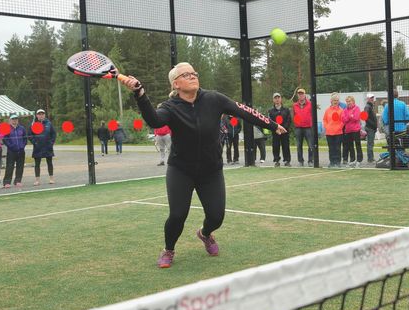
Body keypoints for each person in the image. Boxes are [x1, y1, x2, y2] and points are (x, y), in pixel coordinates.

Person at [119, 62, 286, 269]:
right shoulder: (169, 108)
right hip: (181, 170)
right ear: (176, 84)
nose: (192, 76)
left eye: (194, 73)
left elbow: (244, 111)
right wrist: (140, 94)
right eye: (186, 75)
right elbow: (154, 121)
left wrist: (271, 124)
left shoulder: (214, 99)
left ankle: (205, 234)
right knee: (178, 215)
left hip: (211, 170)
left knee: (216, 216)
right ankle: (168, 249)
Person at [29, 108, 56, 185]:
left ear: (44, 115)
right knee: (37, 164)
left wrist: (51, 142)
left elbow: (53, 134)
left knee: (49, 163)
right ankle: (37, 180)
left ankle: (51, 179)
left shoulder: (49, 123)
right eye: (39, 114)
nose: (41, 115)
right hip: (38, 147)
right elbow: (30, 135)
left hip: (48, 147)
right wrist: (35, 142)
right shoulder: (33, 124)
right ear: (37, 115)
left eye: (42, 114)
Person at [2, 114, 27, 188]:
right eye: (13, 119)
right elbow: (5, 139)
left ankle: (18, 181)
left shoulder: (22, 128)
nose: (14, 120)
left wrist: (23, 145)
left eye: (16, 119)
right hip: (11, 151)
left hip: (21, 150)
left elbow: (25, 138)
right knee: (10, 166)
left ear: (17, 120)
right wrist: (11, 146)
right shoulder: (7, 128)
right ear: (10, 120)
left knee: (20, 166)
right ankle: (7, 182)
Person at [268, 92, 292, 167]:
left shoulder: (286, 110)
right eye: (275, 98)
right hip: (275, 132)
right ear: (273, 100)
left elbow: (288, 120)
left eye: (278, 98)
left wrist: (284, 128)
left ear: (281, 99)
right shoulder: (271, 111)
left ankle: (287, 160)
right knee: (275, 146)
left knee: (286, 146)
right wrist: (276, 129)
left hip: (284, 131)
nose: (277, 99)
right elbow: (269, 121)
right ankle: (276, 160)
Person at [292, 88, 314, 166]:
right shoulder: (294, 105)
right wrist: (296, 123)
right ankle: (300, 161)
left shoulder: (310, 104)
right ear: (297, 95)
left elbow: (313, 115)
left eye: (302, 94)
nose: (300, 95)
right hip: (298, 128)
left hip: (308, 127)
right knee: (298, 145)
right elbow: (294, 116)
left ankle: (310, 161)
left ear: (305, 95)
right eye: (299, 94)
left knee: (310, 145)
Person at [322, 93, 344, 168]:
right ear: (331, 101)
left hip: (338, 132)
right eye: (334, 100)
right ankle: (331, 161)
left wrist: (339, 127)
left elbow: (343, 121)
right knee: (331, 148)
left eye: (337, 100)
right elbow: (324, 119)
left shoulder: (341, 110)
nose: (336, 102)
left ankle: (338, 162)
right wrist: (326, 126)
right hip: (329, 132)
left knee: (337, 148)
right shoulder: (327, 110)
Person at [341, 95, 363, 167]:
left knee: (357, 144)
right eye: (347, 101)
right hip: (348, 130)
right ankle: (352, 160)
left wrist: (350, 117)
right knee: (350, 146)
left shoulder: (357, 108)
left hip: (356, 129)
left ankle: (359, 160)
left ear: (353, 101)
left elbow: (356, 118)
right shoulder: (344, 110)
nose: (348, 103)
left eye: (349, 101)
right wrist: (350, 116)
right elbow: (344, 120)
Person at [363, 93, 378, 163]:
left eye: (372, 97)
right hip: (370, 128)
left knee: (370, 144)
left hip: (371, 128)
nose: (372, 99)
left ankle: (371, 158)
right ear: (367, 99)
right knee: (370, 144)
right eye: (370, 97)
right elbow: (364, 117)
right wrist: (373, 125)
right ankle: (370, 159)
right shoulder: (367, 107)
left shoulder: (370, 106)